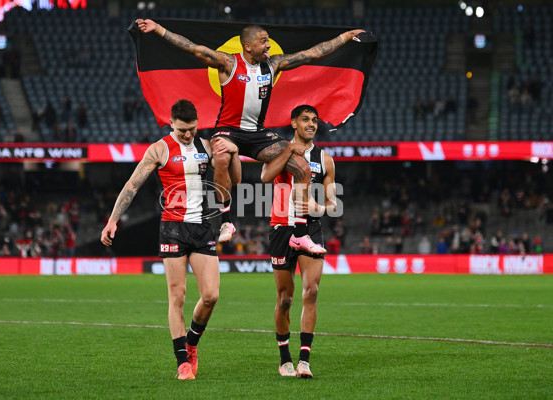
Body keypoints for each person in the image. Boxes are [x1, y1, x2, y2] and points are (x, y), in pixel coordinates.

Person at [135, 19, 364, 253]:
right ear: (248, 45)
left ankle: (300, 234)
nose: (268, 45)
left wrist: (345, 38)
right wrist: (159, 30)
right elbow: (192, 47)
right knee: (222, 156)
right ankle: (226, 221)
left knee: (302, 167)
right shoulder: (228, 62)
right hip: (228, 130)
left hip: (258, 134)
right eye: (263, 41)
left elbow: (311, 55)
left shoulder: (273, 64)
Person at [101, 99, 240, 380]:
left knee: (211, 295)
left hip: (202, 227)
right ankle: (182, 363)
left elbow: (233, 180)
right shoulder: (160, 149)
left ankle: (191, 344)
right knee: (177, 296)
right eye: (182, 130)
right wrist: (113, 219)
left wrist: (234, 154)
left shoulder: (207, 146)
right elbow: (133, 184)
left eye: (192, 129)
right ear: (171, 123)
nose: (188, 134)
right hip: (173, 228)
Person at [260, 105, 337, 379]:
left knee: (312, 292)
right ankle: (285, 360)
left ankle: (304, 360)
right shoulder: (280, 149)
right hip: (281, 228)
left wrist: (319, 206)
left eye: (315, 120)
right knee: (285, 299)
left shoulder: (325, 159)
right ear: (293, 122)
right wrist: (289, 153)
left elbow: (332, 203)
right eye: (305, 119)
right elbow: (266, 176)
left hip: (311, 229)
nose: (311, 124)